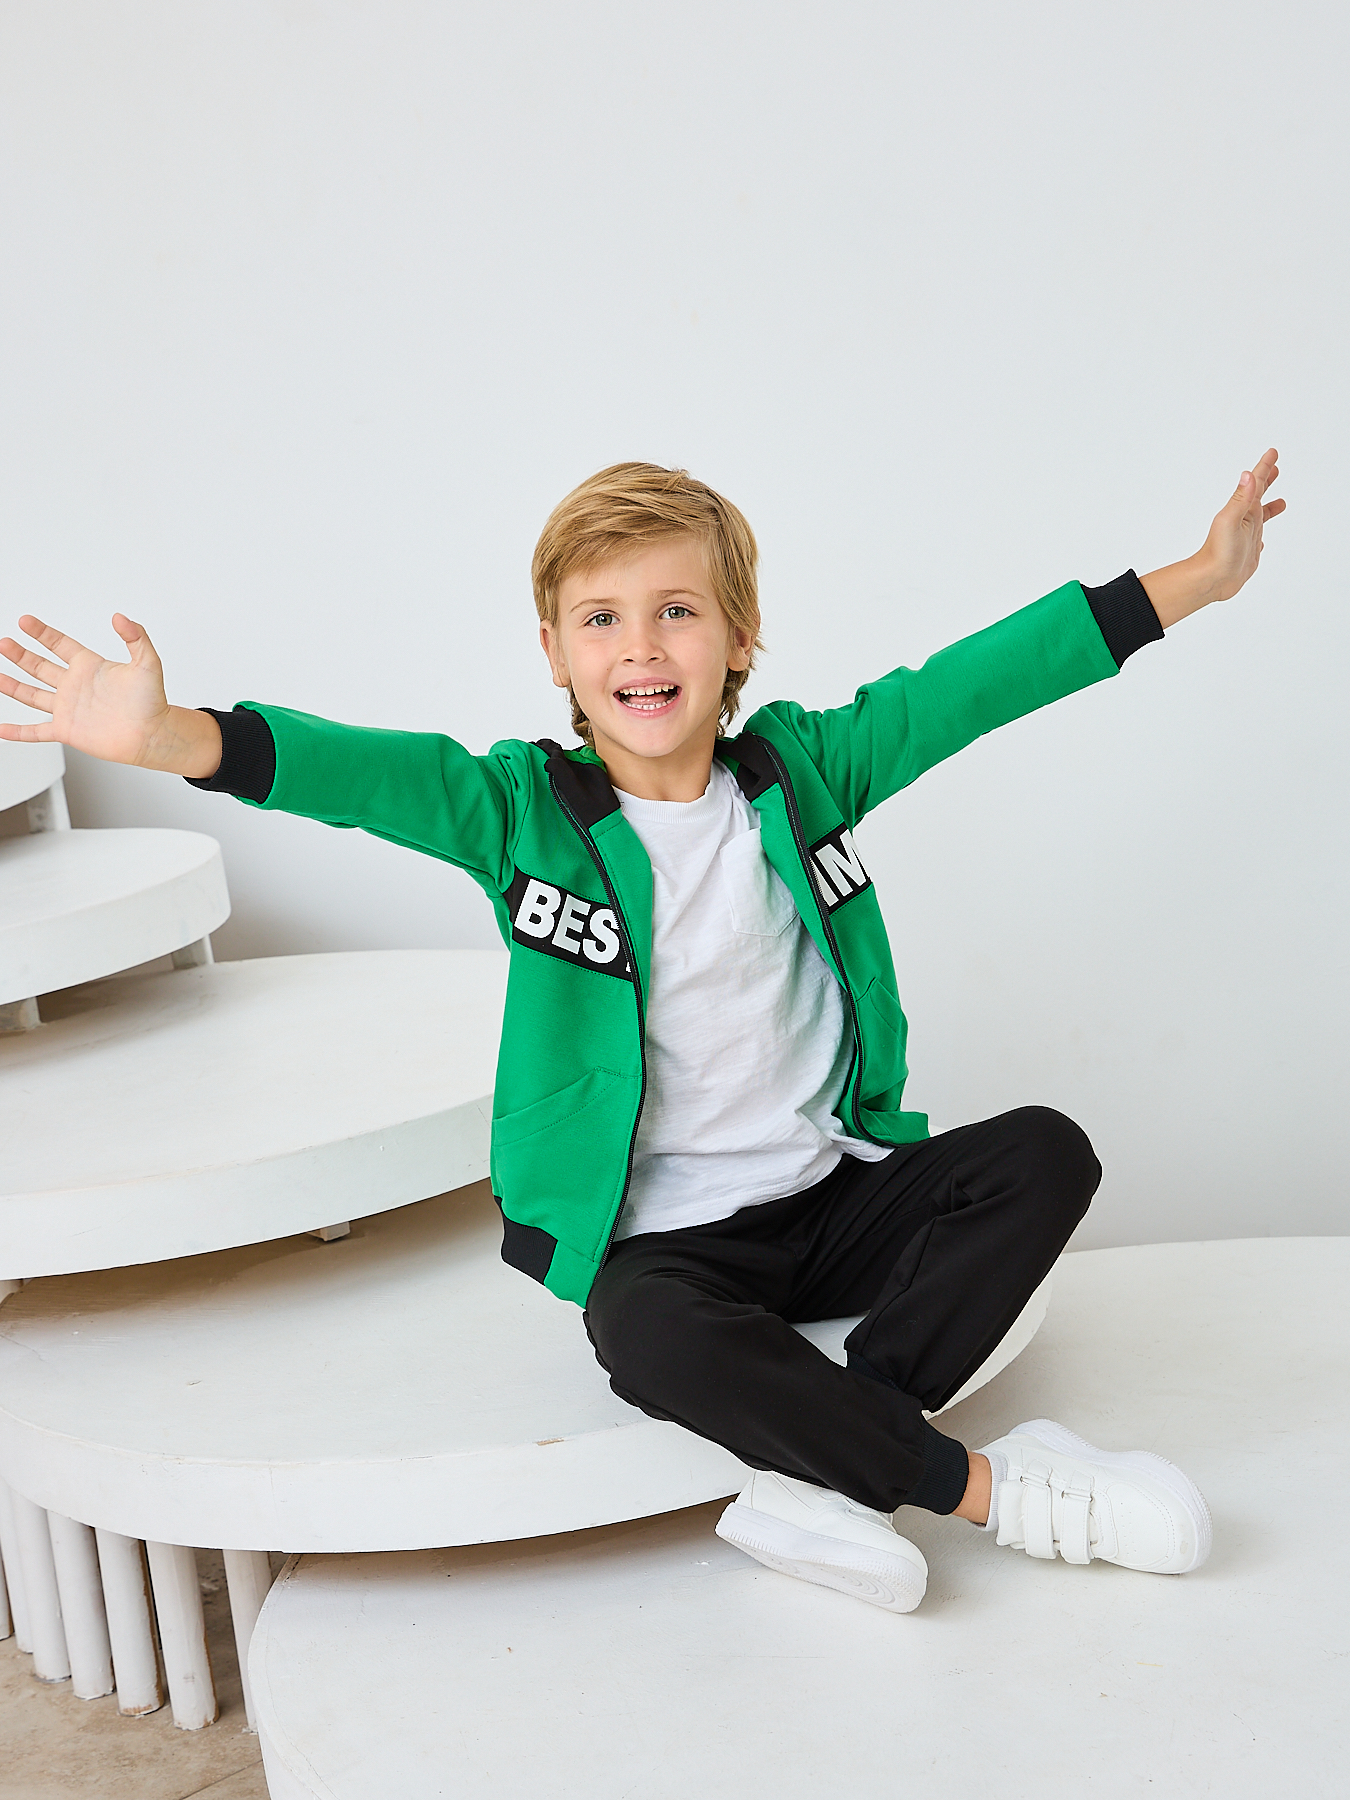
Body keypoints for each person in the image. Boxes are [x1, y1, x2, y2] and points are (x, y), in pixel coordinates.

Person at [0, 452, 1285, 1613]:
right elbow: (361, 774)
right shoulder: (522, 812)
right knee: (640, 1333)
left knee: (1044, 1153)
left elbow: (976, 684)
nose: (642, 646)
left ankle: (828, 1472)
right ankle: (989, 1491)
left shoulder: (805, 770)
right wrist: (169, 737)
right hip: (674, 1247)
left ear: (740, 637)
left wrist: (1196, 580)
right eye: (601, 618)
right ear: (555, 653)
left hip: (832, 1197)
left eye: (678, 609)